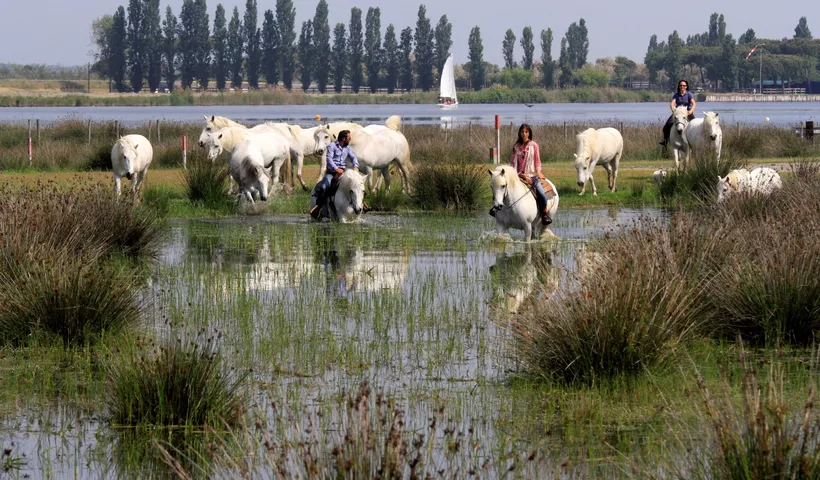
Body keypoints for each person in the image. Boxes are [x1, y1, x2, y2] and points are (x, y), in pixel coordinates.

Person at [504, 123, 552, 225]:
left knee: (541, 193)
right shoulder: (515, 147)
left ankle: (544, 214)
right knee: (503, 189)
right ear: (519, 133)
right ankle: (499, 210)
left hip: (532, 175)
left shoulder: (534, 146)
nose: (524, 134)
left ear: (529, 133)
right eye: (522, 132)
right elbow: (512, 163)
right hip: (518, 176)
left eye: (526, 132)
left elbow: (537, 161)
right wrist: (512, 175)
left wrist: (538, 172)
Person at [311, 129, 361, 219]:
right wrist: (336, 169)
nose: (350, 139)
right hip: (332, 172)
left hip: (343, 171)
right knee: (324, 186)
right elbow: (329, 159)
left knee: (357, 185)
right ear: (343, 138)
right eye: (349, 137)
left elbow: (353, 157)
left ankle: (361, 205)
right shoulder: (332, 146)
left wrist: (356, 166)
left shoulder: (348, 148)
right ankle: (318, 207)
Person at [660, 79, 696, 147]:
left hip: (687, 112)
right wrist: (674, 111)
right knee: (667, 126)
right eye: (681, 85)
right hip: (678, 113)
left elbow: (693, 103)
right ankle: (665, 140)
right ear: (679, 86)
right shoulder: (676, 95)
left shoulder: (689, 94)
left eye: (684, 85)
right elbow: (672, 104)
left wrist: (690, 111)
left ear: (686, 86)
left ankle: (694, 142)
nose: (682, 87)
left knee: (695, 125)